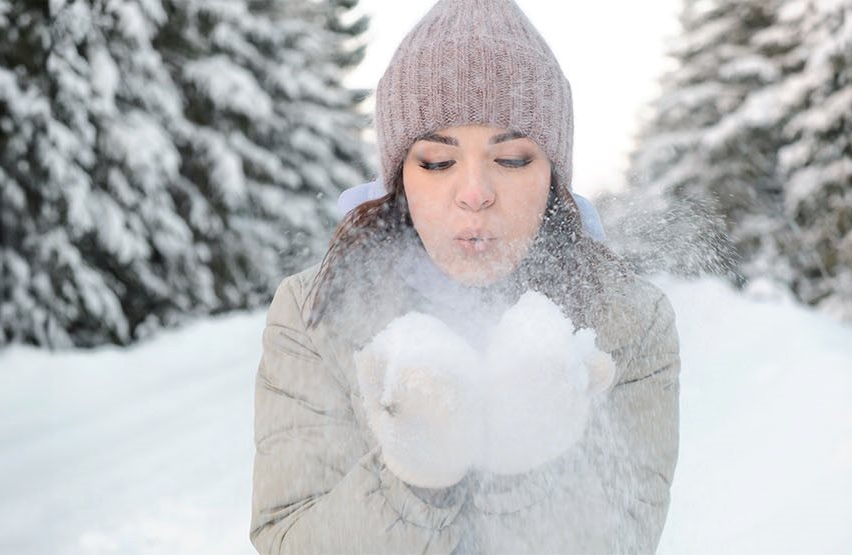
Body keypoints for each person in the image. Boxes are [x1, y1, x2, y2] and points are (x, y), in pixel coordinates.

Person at [249, 0, 680, 552]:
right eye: (436, 162)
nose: (475, 192)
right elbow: (288, 538)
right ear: (400, 176)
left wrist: (526, 464)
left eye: (514, 159)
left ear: (553, 175)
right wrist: (413, 480)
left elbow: (627, 539)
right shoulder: (316, 314)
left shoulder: (628, 322)